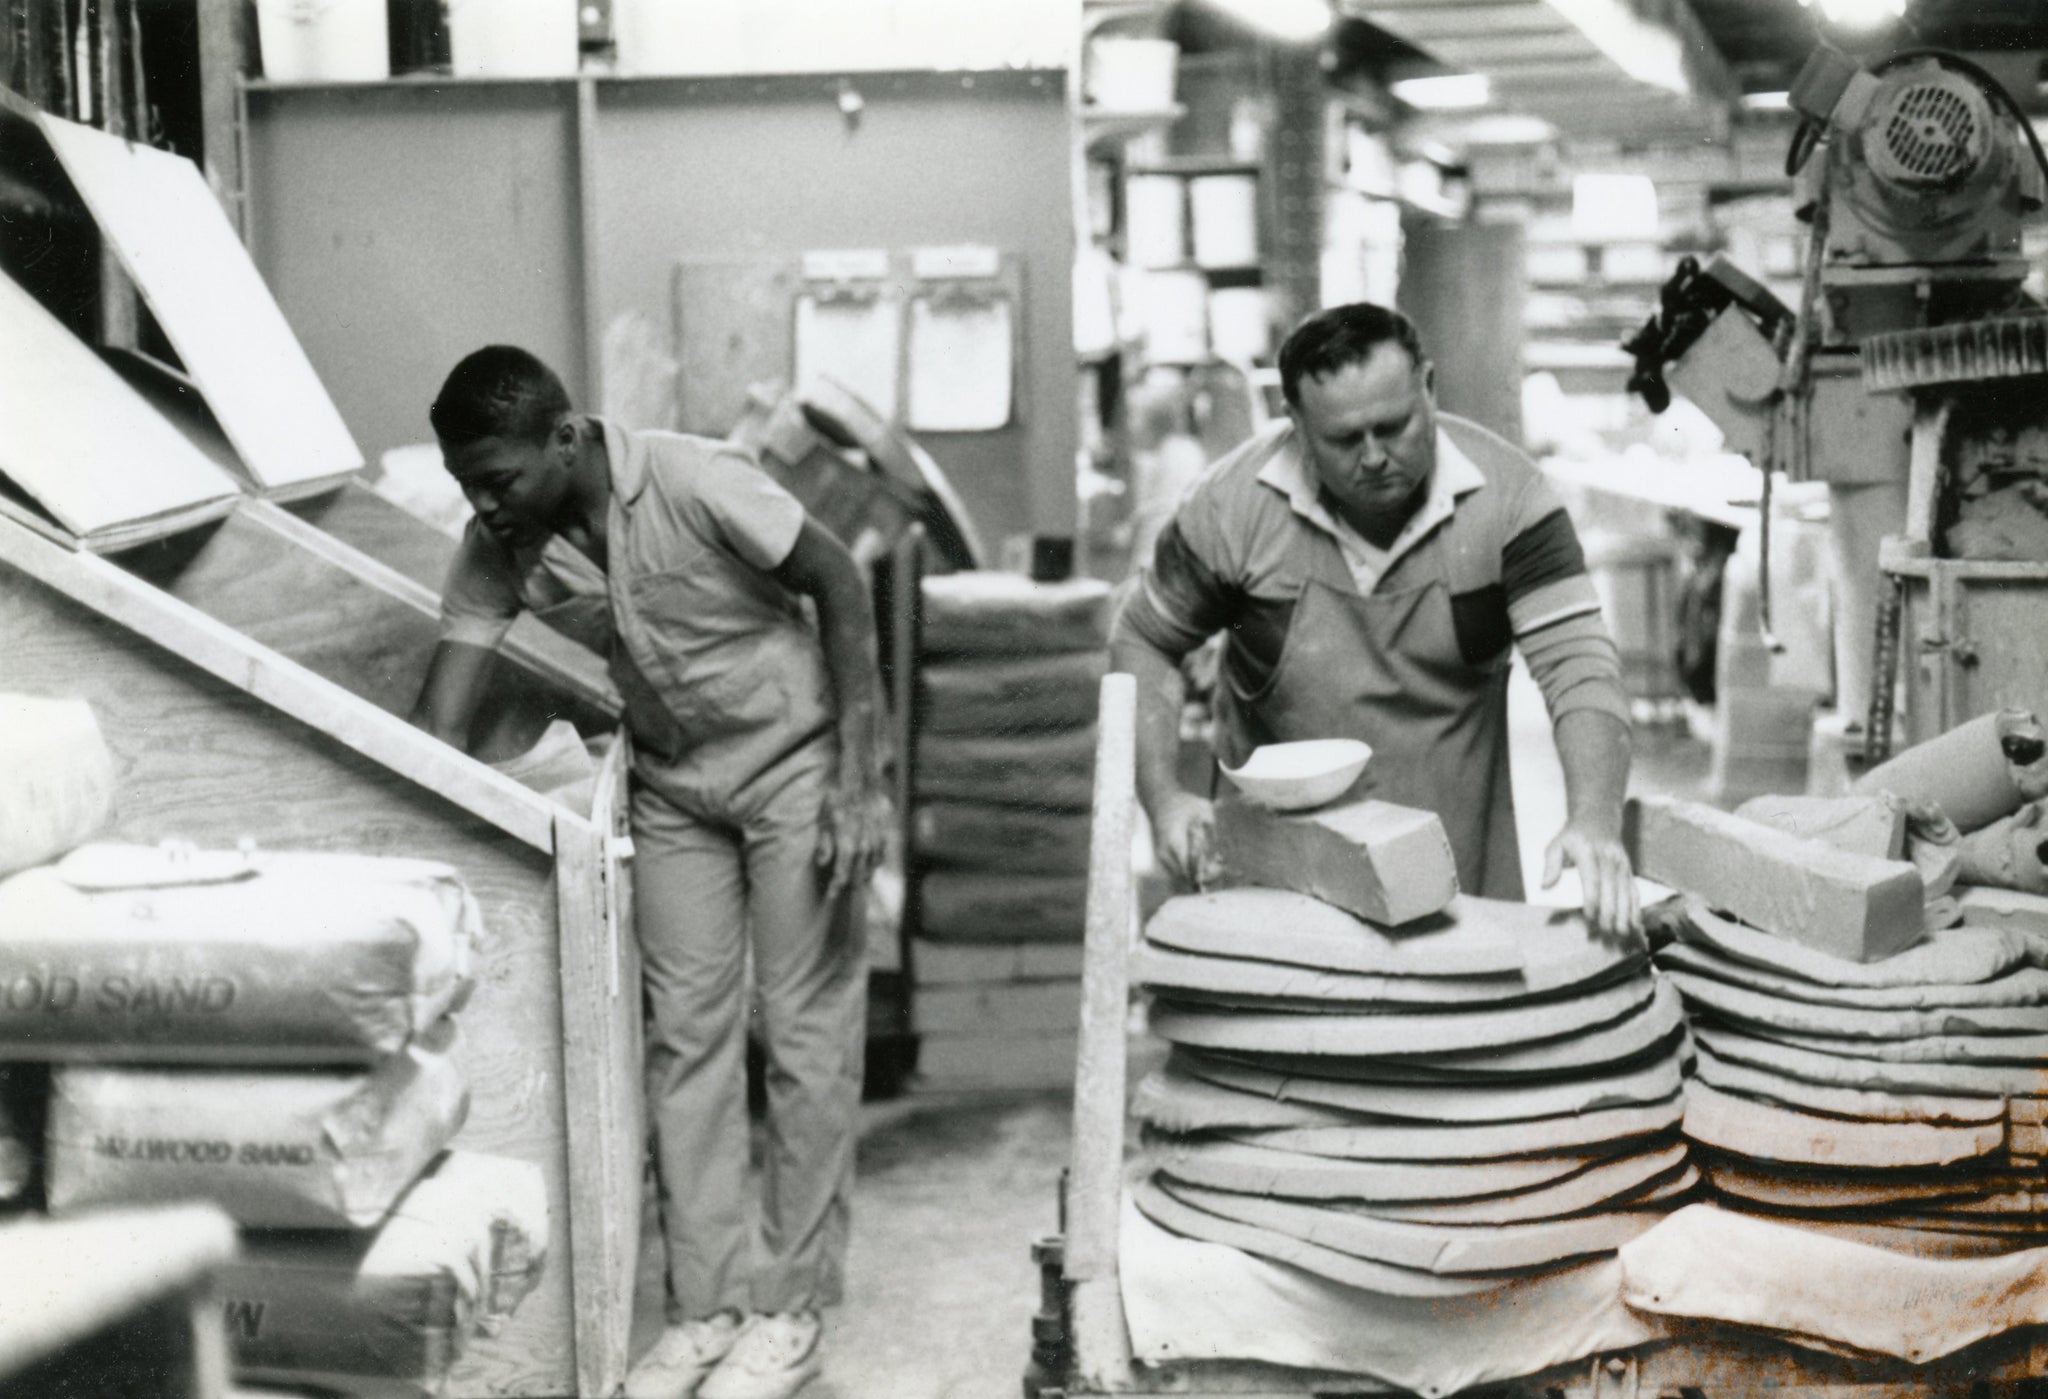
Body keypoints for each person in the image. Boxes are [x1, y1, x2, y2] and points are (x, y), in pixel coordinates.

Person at [411, 346, 889, 1399]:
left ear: (566, 437)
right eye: (466, 485)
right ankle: (706, 1307)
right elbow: (438, 722)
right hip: (675, 788)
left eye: (500, 478)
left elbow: (836, 581)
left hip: (793, 766)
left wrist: (861, 773)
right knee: (685, 1042)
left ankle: (790, 1310)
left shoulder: (693, 477)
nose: (485, 507)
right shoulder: (500, 546)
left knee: (803, 1032)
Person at [1109, 303, 1642, 939]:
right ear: (1296, 426)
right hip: (1275, 879)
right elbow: (1143, 637)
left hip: (1455, 876)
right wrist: (1163, 800)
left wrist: (1594, 817)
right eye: (1343, 439)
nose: (1374, 458)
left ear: (1429, 389)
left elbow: (1578, 663)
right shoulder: (1230, 508)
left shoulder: (1512, 503)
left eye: (1395, 427)